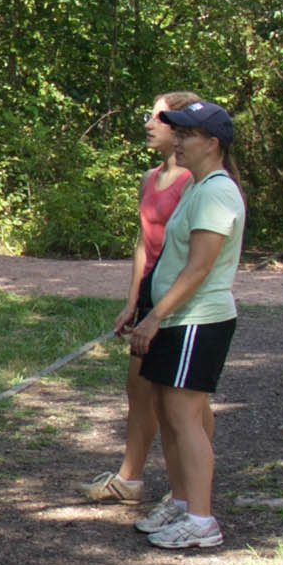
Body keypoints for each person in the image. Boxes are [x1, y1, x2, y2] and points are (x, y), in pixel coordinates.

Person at [124, 102, 247, 551]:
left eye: (187, 134)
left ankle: (201, 520)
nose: (176, 140)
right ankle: (180, 502)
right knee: (169, 415)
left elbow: (198, 270)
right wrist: (143, 308)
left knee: (184, 419)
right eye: (175, 132)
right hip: (174, 318)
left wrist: (154, 318)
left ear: (212, 143)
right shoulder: (197, 187)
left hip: (197, 320)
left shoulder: (216, 192)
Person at [85, 91, 202, 508]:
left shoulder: (196, 182)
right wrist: (133, 300)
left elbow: (197, 251)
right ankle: (131, 479)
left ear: (184, 129)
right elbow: (142, 243)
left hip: (179, 299)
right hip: (152, 296)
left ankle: (190, 486)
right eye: (149, 116)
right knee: (139, 387)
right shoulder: (150, 178)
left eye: (159, 118)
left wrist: (164, 303)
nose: (149, 125)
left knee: (185, 398)